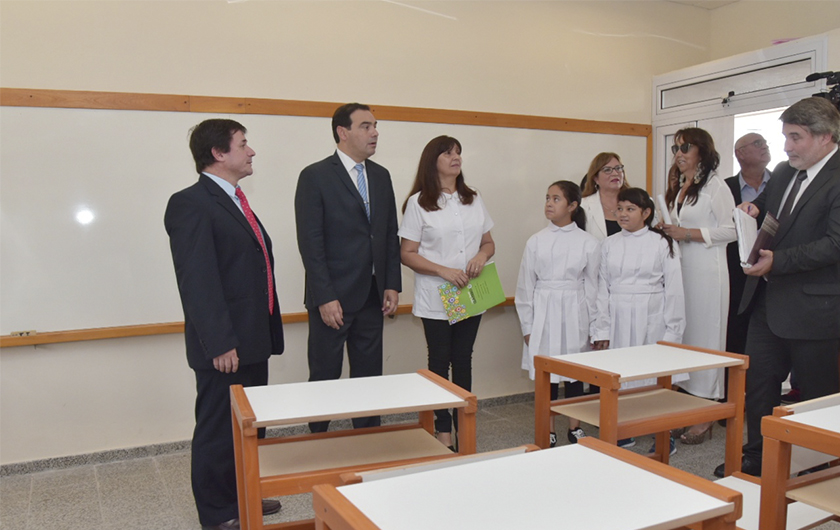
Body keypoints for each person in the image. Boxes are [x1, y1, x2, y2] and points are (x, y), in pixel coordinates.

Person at [164, 119, 285, 530]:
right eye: (243, 144)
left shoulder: (236, 200)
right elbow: (197, 280)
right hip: (225, 345)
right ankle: (218, 513)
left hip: (253, 339)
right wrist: (218, 342)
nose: (251, 152)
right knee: (219, 431)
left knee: (248, 427)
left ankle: (244, 495)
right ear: (218, 153)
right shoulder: (191, 203)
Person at [714, 97, 840, 478]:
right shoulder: (785, 171)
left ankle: (815, 465)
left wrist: (778, 261)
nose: (786, 147)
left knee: (816, 394)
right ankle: (758, 457)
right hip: (767, 302)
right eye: (785, 136)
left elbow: (835, 244)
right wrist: (753, 208)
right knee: (759, 385)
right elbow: (770, 205)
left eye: (795, 137)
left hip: (816, 309)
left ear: (825, 137)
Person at [295, 103, 401, 433]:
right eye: (366, 126)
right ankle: (318, 439)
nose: (375, 132)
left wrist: (391, 283)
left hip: (372, 294)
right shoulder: (315, 176)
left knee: (369, 376)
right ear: (343, 132)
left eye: (375, 126)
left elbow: (388, 233)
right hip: (333, 298)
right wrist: (325, 296)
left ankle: (367, 438)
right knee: (325, 374)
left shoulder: (381, 175)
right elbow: (311, 243)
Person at [399, 135, 495, 449]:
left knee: (463, 360)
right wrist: (444, 271)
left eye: (458, 152)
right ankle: (442, 430)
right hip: (437, 293)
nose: (456, 157)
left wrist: (481, 256)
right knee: (440, 362)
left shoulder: (473, 198)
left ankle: (463, 427)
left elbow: (488, 242)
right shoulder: (418, 203)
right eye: (448, 153)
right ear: (433, 160)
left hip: (470, 291)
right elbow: (407, 253)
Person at [593, 187, 686, 454]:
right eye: (620, 209)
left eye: (630, 209)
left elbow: (674, 289)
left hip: (651, 313)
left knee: (655, 375)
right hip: (618, 314)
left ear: (646, 213)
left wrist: (673, 332)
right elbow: (602, 289)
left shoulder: (662, 243)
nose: (623, 214)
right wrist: (602, 327)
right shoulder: (609, 244)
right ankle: (624, 429)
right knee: (621, 372)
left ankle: (662, 431)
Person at [661, 128, 736, 445]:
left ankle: (707, 413)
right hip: (682, 271)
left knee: (707, 339)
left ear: (702, 151)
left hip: (707, 272)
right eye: (676, 148)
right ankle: (685, 408)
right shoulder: (680, 185)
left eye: (685, 147)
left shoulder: (715, 186)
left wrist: (688, 234)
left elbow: (732, 230)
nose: (679, 153)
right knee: (686, 337)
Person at [515, 181, 599, 446]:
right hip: (544, 313)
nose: (549, 204)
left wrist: (595, 326)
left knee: (575, 372)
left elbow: (594, 288)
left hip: (575, 311)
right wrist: (527, 327)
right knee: (547, 374)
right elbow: (525, 287)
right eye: (547, 198)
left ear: (572, 206)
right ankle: (548, 429)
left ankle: (575, 427)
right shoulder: (536, 241)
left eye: (556, 199)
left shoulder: (588, 242)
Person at [725, 133, 771, 355]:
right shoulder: (726, 188)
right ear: (740, 153)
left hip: (776, 269)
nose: (765, 146)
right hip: (737, 272)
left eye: (765, 142)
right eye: (757, 143)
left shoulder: (781, 183)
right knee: (737, 332)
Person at [580, 152, 631, 241]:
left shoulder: (640, 202)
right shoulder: (583, 206)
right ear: (596, 178)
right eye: (607, 170)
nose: (615, 173)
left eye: (618, 168)